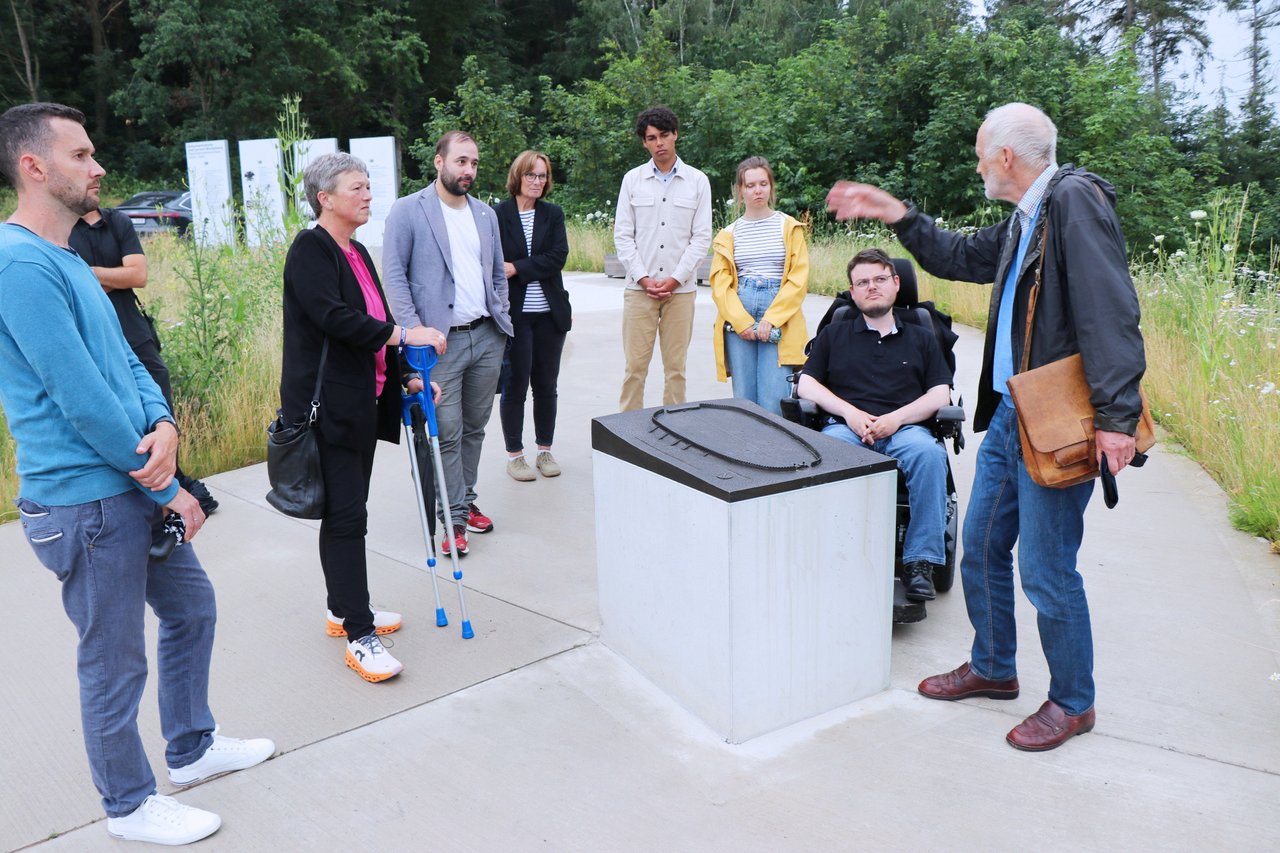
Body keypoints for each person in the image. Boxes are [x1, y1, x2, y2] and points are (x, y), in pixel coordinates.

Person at [827, 102, 1147, 752]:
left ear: (1006, 157)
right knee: (979, 545)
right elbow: (956, 254)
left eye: (980, 152)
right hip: (1008, 415)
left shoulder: (1074, 202)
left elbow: (1111, 307)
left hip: (1054, 421)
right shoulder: (1024, 221)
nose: (977, 164)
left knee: (1047, 566)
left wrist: (1117, 416)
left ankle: (1072, 701)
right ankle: (995, 666)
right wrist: (896, 214)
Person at [0, 102, 272, 846]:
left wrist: (166, 424)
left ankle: (191, 747)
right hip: (83, 501)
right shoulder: (16, 263)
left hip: (126, 483)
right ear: (34, 166)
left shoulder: (68, 259)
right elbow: (77, 392)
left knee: (192, 608)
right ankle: (127, 803)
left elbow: (124, 359)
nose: (99, 167)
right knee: (112, 656)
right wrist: (166, 485)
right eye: (82, 155)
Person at [281, 151, 440, 683]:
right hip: (329, 408)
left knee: (349, 511)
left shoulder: (357, 252)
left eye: (369, 186)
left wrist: (405, 378)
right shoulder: (311, 249)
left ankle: (340, 608)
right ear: (325, 198)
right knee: (348, 517)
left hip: (362, 402)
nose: (368, 195)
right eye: (357, 187)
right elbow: (335, 318)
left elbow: (375, 324)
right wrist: (405, 335)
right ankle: (359, 632)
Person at [383, 130, 512, 556]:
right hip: (440, 345)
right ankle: (452, 520)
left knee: (475, 428)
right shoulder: (408, 211)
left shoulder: (485, 215)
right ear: (439, 162)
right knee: (447, 433)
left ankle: (465, 500)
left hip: (487, 336)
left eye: (473, 163)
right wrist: (413, 331)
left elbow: (495, 273)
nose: (468, 170)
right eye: (460, 161)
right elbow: (395, 277)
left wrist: (501, 315)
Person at [797, 248, 953, 602]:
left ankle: (920, 563)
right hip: (845, 429)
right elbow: (806, 384)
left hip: (906, 430)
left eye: (880, 279)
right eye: (862, 282)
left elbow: (940, 394)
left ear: (896, 284)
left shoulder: (923, 336)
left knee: (929, 456)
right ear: (852, 292)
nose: (872, 287)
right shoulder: (835, 334)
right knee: (828, 455)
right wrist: (850, 413)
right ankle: (835, 556)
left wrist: (897, 418)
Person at [69, 203, 219, 516]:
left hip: (133, 330)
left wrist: (89, 274)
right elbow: (72, 284)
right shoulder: (63, 227)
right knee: (116, 409)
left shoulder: (117, 222)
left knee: (159, 401)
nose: (96, 174)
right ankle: (147, 488)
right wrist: (109, 277)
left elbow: (138, 274)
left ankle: (172, 477)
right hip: (94, 336)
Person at [613, 106, 712, 411]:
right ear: (644, 142)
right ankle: (626, 437)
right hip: (638, 291)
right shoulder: (632, 180)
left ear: (675, 135)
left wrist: (674, 279)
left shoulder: (697, 181)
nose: (660, 143)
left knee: (676, 371)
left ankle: (674, 433)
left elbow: (701, 238)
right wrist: (644, 279)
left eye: (665, 135)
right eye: (652, 138)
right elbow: (622, 235)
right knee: (634, 370)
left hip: (679, 293)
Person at [709, 156, 809, 415]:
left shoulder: (788, 227)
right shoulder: (729, 233)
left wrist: (772, 319)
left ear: (771, 186)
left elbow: (798, 279)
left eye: (763, 184)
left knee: (774, 397)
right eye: (750, 185)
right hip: (739, 308)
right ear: (740, 190)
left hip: (778, 311)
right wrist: (740, 321)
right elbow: (720, 283)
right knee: (744, 399)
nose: (757, 190)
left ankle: (777, 455)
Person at [492, 150, 571, 481]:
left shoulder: (552, 214)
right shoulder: (496, 215)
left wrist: (517, 267)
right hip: (516, 317)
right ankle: (515, 456)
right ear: (518, 177)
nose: (538, 181)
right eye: (531, 175)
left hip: (549, 316)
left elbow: (557, 256)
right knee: (515, 385)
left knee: (546, 385)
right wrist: (510, 269)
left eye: (542, 176)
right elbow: (493, 262)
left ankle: (544, 451)